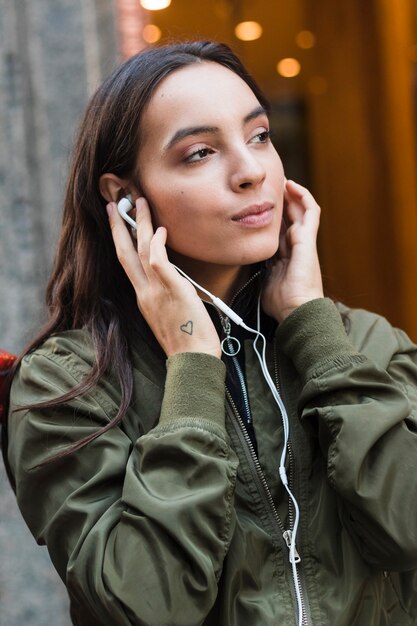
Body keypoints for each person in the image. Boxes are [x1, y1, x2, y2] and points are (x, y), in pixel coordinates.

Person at [2, 40, 417, 626]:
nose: (251, 171)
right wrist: (192, 366)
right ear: (125, 201)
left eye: (259, 136)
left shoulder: (365, 344)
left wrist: (315, 332)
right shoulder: (64, 389)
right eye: (200, 153)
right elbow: (145, 606)